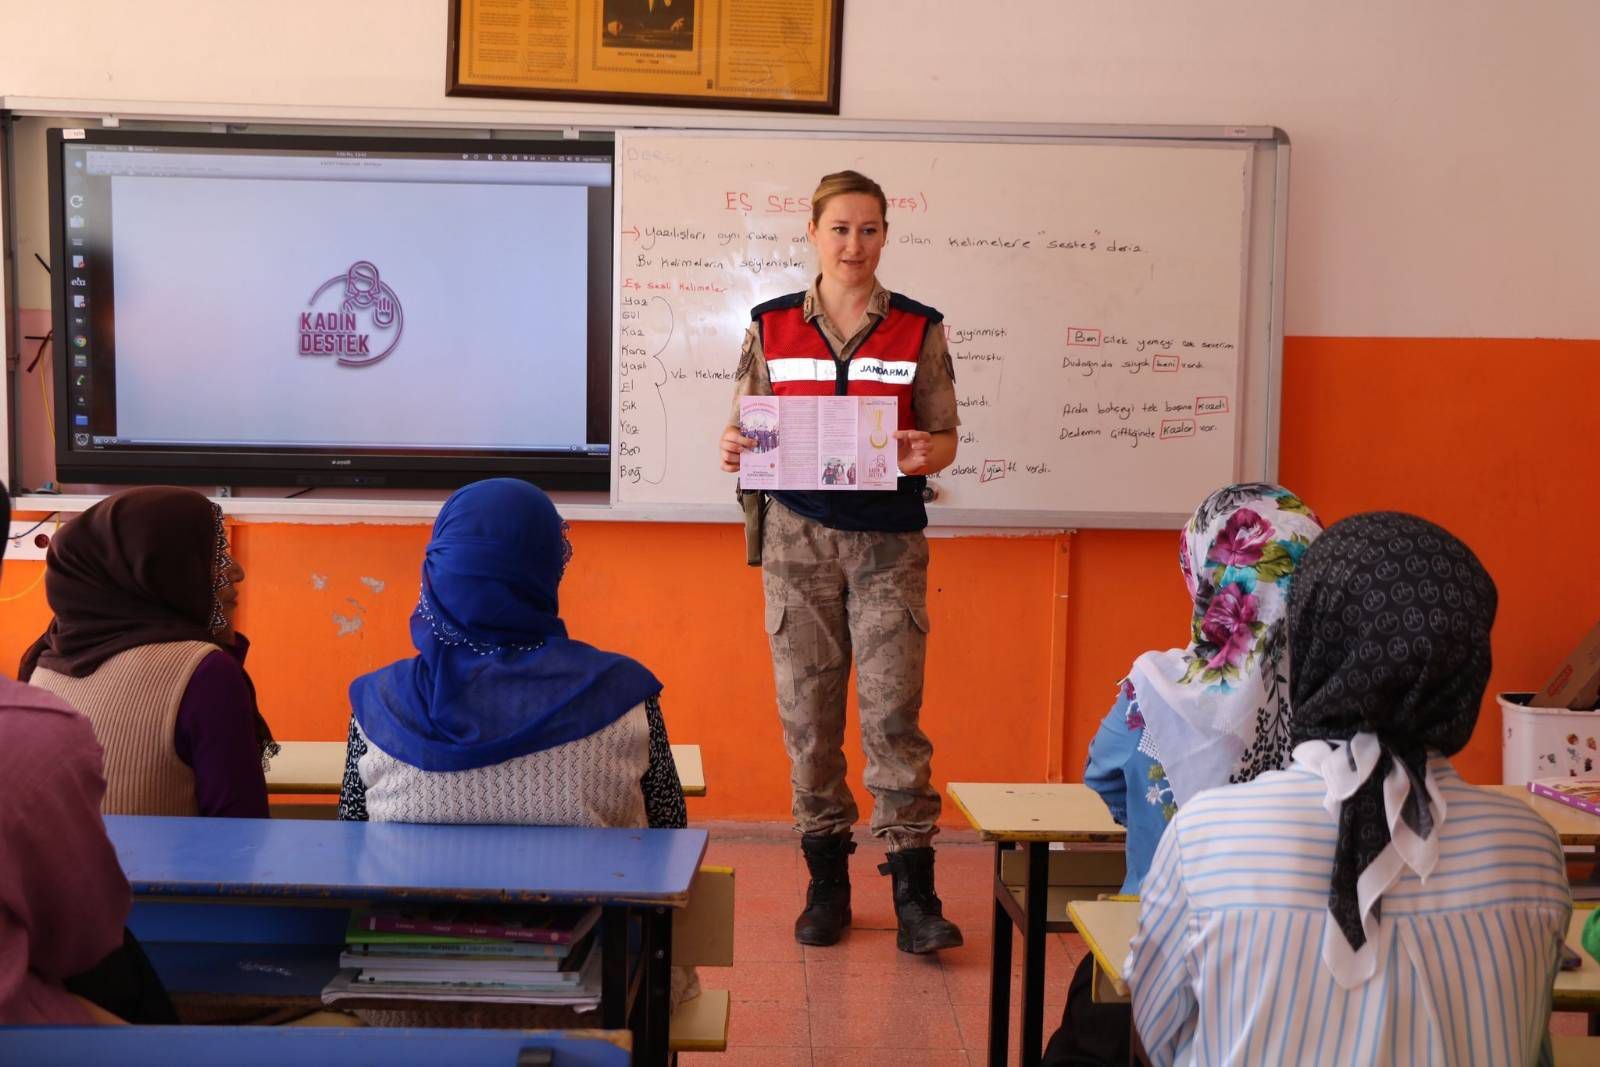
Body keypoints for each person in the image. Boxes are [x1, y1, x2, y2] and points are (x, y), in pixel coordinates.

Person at [1127, 512, 1571, 1066]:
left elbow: (1156, 1034)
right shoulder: (1532, 851)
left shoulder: (1206, 838)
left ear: (1308, 636)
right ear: (1468, 664)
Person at [717, 169, 963, 953]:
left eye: (868, 229)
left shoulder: (919, 327)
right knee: (809, 721)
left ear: (886, 235)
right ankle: (826, 885)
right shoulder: (771, 325)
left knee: (893, 716)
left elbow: (945, 435)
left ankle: (915, 891)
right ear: (814, 233)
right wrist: (733, 446)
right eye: (840, 228)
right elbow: (743, 429)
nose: (854, 243)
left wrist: (930, 452)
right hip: (799, 539)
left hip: (889, 542)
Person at [1044, 483, 1323, 1066]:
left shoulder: (1155, 692)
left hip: (1150, 956)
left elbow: (1105, 785)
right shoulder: (1343, 695)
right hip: (1305, 970)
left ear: (1204, 573)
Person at [0, 486, 168, 1026]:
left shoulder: (45, 660)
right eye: (214, 558)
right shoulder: (34, 731)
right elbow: (82, 939)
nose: (229, 575)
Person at [20, 487, 275, 818]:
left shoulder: (40, 669)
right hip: (168, 872)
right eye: (215, 557)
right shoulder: (204, 673)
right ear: (158, 571)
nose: (236, 572)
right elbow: (243, 835)